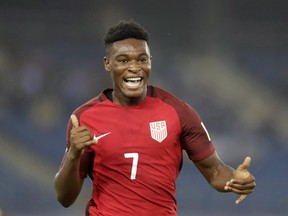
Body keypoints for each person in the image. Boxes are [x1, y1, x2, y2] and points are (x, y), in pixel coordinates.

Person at [54, 20, 256, 216]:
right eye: (123, 60)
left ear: (150, 62)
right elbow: (65, 198)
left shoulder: (178, 112)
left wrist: (235, 180)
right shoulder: (84, 117)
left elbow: (215, 171)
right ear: (108, 64)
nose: (134, 67)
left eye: (142, 59)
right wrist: (73, 154)